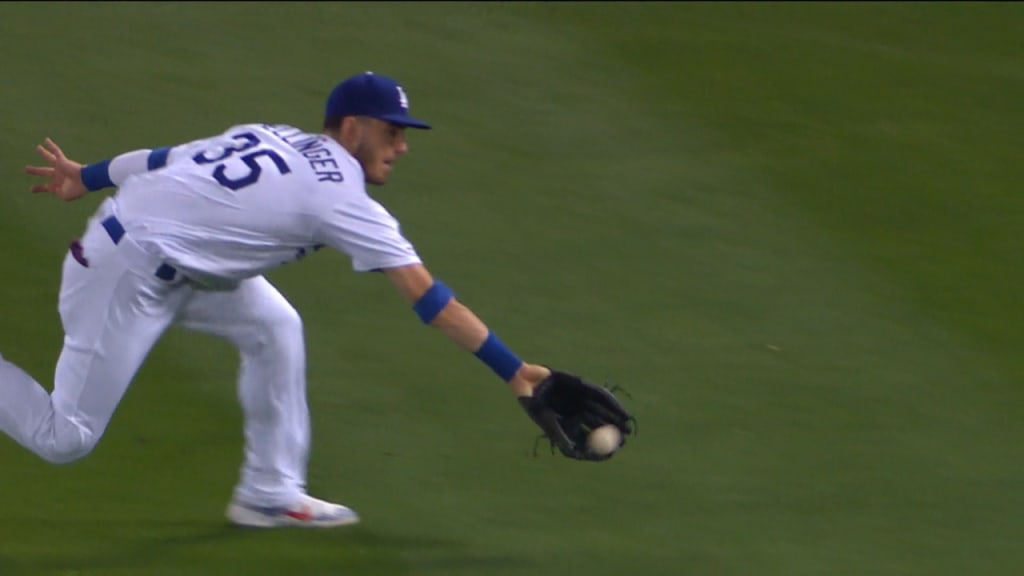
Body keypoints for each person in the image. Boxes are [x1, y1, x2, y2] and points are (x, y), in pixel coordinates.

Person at [5, 71, 553, 528]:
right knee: (65, 438)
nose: (402, 146)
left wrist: (89, 175)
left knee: (276, 326)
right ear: (352, 127)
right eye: (392, 132)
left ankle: (269, 491)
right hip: (123, 276)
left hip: (179, 265)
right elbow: (430, 300)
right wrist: (514, 371)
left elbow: (167, 157)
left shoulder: (274, 134)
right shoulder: (339, 196)